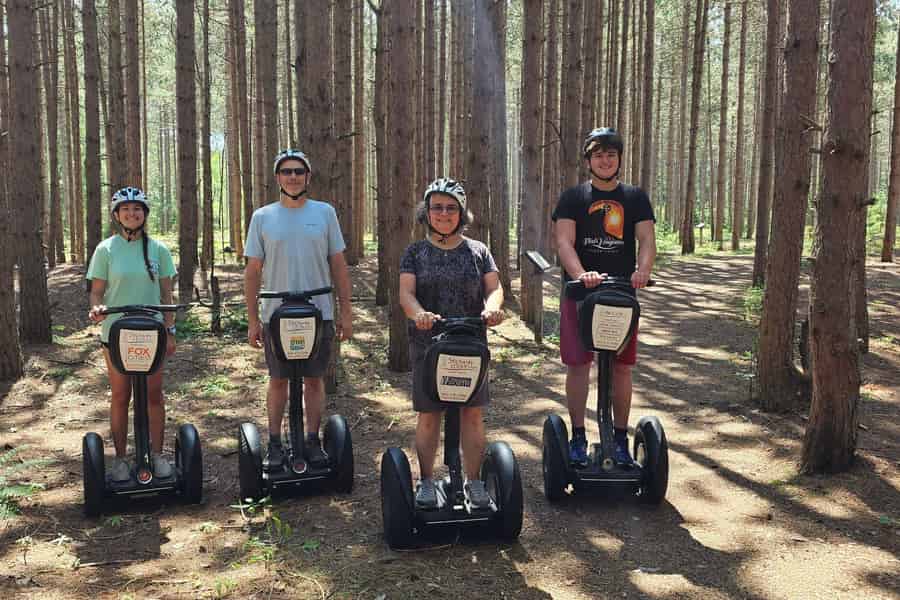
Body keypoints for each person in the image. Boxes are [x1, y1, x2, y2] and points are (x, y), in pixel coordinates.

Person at [552, 127, 656, 467]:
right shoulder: (572, 198)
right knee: (579, 366)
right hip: (581, 295)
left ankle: (620, 439)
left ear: (619, 159)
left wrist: (642, 270)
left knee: (622, 369)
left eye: (611, 154)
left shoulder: (635, 198)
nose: (605, 160)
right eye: (598, 155)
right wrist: (581, 274)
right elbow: (564, 242)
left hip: (620, 296)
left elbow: (646, 241)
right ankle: (579, 436)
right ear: (589, 161)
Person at [398, 178, 505, 510]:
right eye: (436, 207)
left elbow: (495, 287)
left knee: (472, 414)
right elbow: (406, 294)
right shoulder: (415, 252)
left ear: (461, 213)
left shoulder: (478, 251)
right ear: (426, 213)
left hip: (470, 343)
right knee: (430, 416)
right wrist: (418, 315)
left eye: (450, 207)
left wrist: (492, 308)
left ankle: (473, 482)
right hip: (429, 345)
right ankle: (427, 482)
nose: (443, 213)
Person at [244, 149, 353, 472]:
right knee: (278, 380)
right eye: (286, 171)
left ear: (307, 177)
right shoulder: (262, 217)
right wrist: (252, 318)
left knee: (314, 379)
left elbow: (339, 265)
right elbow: (252, 270)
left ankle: (311, 440)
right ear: (278, 178)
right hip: (276, 314)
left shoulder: (324, 213)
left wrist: (345, 312)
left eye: (299, 171)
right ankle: (275, 443)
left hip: (318, 311)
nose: (293, 177)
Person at [87, 187, 178, 482]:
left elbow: (166, 293)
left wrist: (170, 329)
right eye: (125, 209)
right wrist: (98, 308)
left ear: (144, 214)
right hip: (116, 333)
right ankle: (121, 460)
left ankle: (156, 454)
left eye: (137, 209)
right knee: (120, 395)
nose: (132, 213)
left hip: (152, 331)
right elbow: (97, 291)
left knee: (153, 394)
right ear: (116, 215)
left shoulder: (159, 250)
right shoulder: (106, 249)